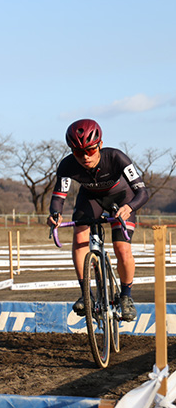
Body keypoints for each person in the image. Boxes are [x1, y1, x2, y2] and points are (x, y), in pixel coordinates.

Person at [46, 118, 148, 322]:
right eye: (78, 152)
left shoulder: (116, 157)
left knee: (122, 248)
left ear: (100, 145)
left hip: (122, 199)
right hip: (91, 199)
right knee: (80, 235)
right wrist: (55, 215)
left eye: (90, 150)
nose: (84, 157)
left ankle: (126, 296)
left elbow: (142, 193)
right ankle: (87, 294)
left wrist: (129, 208)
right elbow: (59, 196)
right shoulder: (67, 166)